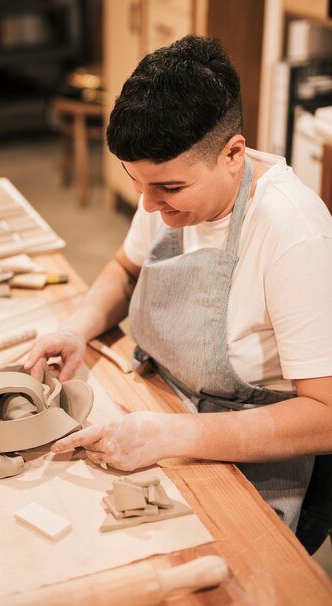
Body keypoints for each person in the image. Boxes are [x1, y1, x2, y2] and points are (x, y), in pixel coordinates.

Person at [25, 35, 332, 552]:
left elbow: (325, 415)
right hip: (163, 405)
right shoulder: (169, 193)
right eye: (138, 183)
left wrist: (172, 435)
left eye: (168, 189)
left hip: (253, 464)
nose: (148, 207)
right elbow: (125, 270)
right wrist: (76, 328)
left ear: (233, 154)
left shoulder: (293, 233)